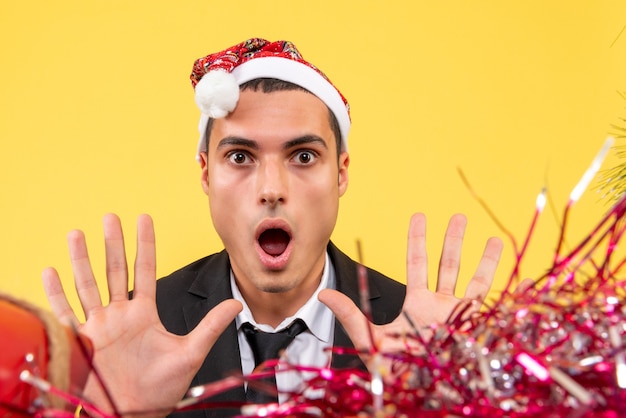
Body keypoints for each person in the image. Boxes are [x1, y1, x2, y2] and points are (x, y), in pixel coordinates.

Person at [42, 38, 503, 418]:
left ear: (341, 173)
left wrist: (442, 400)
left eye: (303, 156)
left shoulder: (422, 336)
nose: (271, 189)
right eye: (240, 157)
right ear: (205, 173)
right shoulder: (138, 331)